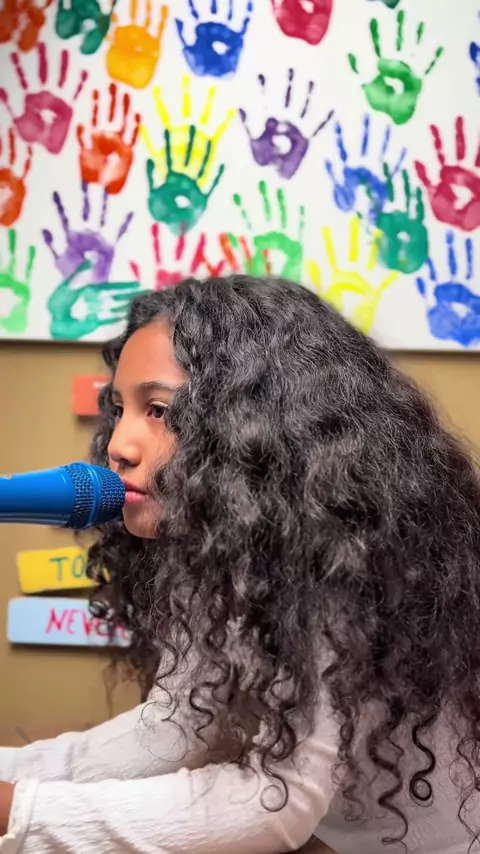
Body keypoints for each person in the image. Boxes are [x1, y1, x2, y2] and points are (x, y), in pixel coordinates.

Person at [0, 274, 480, 854]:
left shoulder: (340, 562)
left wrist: (22, 812)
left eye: (158, 410)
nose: (119, 445)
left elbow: (274, 802)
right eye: (120, 409)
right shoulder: (217, 549)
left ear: (254, 425)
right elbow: (172, 731)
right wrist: (15, 777)